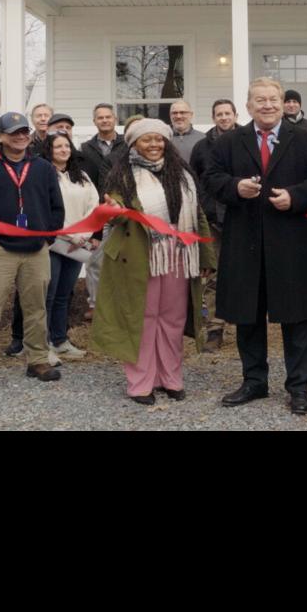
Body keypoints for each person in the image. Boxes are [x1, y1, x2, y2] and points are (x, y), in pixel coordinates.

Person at [202, 79, 307, 414]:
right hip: (244, 242)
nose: (267, 105)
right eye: (260, 100)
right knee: (247, 315)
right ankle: (254, 382)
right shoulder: (229, 141)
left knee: (297, 316)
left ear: (283, 103)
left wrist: (296, 196)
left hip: (293, 241)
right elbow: (210, 179)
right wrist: (235, 187)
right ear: (248, 105)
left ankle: (299, 387)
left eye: (273, 99)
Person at [90, 119, 216, 404]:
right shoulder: (122, 175)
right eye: (147, 139)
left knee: (173, 318)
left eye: (159, 139)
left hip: (179, 253)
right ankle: (141, 383)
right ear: (134, 144)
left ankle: (170, 378)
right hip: (139, 254)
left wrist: (206, 255)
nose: (154, 144)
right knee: (143, 319)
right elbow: (116, 211)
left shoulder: (182, 174)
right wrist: (114, 210)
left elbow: (197, 215)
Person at [0, 111, 66, 393]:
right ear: (0, 136)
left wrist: (48, 237)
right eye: (13, 133)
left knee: (36, 308)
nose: (20, 137)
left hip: (36, 250)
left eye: (23, 131)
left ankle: (38, 360)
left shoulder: (43, 167)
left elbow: (56, 206)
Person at [46, 131, 101, 360]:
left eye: (67, 146)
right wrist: (70, 235)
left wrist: (83, 234)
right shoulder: (43, 174)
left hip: (78, 244)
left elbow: (94, 205)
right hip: (53, 243)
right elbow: (46, 208)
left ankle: (60, 340)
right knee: (48, 295)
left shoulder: (82, 176)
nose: (64, 150)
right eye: (58, 146)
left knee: (63, 295)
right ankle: (43, 345)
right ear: (49, 150)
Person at [190, 98, 241, 346]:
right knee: (213, 276)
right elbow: (193, 181)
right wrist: (203, 208)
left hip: (241, 216)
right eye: (219, 114)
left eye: (227, 113)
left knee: (243, 274)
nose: (223, 117)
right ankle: (215, 328)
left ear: (235, 115)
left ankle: (245, 325)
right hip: (212, 220)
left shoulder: (247, 140)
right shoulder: (202, 147)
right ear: (213, 118)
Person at [79, 103, 123, 312]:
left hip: (123, 211)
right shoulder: (86, 149)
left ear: (115, 119)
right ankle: (96, 305)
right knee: (95, 259)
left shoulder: (126, 145)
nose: (105, 120)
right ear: (94, 121)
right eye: (100, 117)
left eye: (108, 117)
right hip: (97, 212)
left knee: (123, 260)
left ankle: (120, 304)